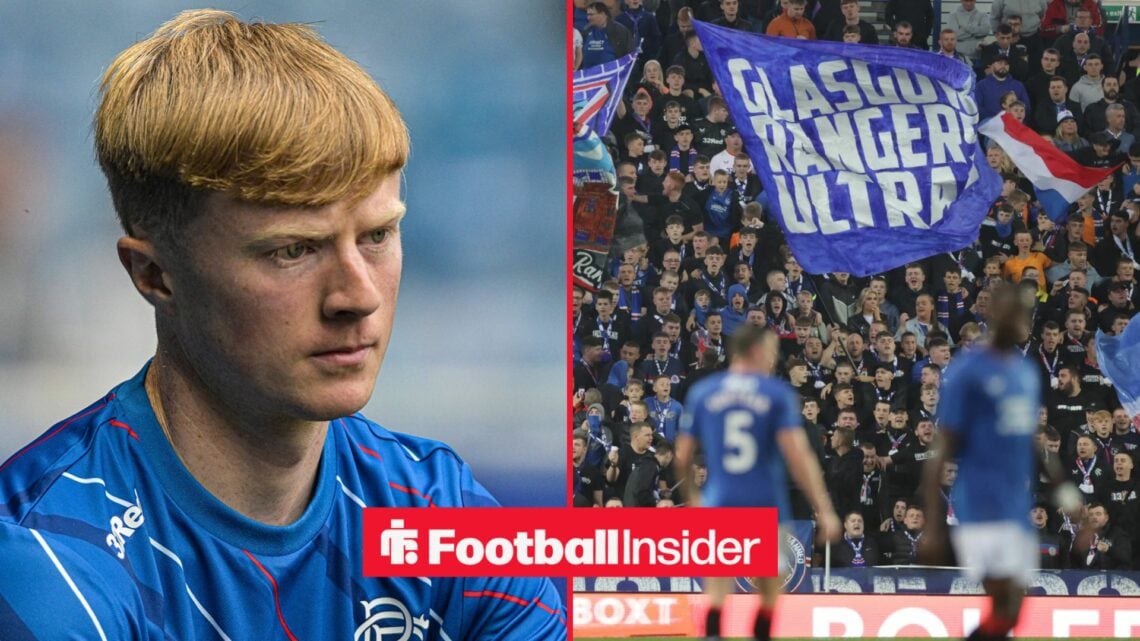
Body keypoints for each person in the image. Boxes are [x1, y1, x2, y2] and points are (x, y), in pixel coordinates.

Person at [0, 10, 566, 639]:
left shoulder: (439, 506)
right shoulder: (46, 554)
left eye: (378, 235)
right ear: (155, 276)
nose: (358, 296)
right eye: (292, 250)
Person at [922, 284, 1078, 641]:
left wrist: (1067, 493)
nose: (1021, 319)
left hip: (1016, 505)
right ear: (993, 313)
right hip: (981, 501)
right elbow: (942, 449)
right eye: (1014, 311)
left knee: (1011, 613)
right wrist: (933, 524)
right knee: (1004, 601)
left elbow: (1033, 442)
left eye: (1025, 312)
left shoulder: (1024, 373)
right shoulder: (967, 371)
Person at [675, 324, 840, 641]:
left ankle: (712, 630)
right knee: (769, 577)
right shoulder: (775, 393)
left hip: (720, 498)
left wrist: (693, 497)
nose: (773, 359)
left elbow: (682, 456)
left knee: (719, 573)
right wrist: (824, 508)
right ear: (754, 351)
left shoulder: (703, 392)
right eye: (771, 351)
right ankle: (762, 630)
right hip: (765, 499)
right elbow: (798, 456)